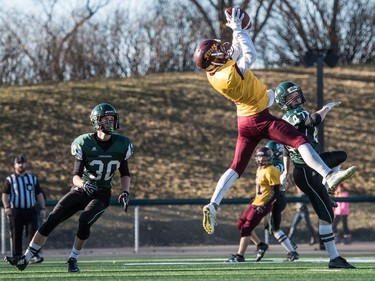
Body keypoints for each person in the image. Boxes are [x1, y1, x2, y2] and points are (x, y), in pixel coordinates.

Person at [193, 7, 357, 236]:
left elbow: (235, 50)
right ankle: (328, 175)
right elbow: (249, 55)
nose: (222, 49)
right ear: (213, 60)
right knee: (299, 139)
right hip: (260, 118)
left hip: (244, 120)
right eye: (217, 50)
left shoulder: (213, 72)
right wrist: (239, 29)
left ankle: (213, 203)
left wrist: (235, 30)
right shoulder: (228, 75)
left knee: (236, 167)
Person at [4, 103, 134, 272]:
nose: (110, 122)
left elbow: (125, 173)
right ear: (96, 122)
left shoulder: (122, 143)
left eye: (112, 119)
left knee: (84, 221)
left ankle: (73, 259)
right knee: (53, 218)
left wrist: (125, 191)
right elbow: (75, 176)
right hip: (82, 189)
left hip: (101, 193)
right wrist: (84, 184)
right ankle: (25, 258)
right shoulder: (84, 142)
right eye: (106, 119)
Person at [275, 81, 356, 269]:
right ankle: (334, 257)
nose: (296, 98)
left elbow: (286, 151)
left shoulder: (288, 118)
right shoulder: (293, 115)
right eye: (290, 97)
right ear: (283, 102)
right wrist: (326, 108)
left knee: (340, 156)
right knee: (327, 214)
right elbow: (313, 120)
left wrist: (285, 172)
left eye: (296, 94)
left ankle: (329, 187)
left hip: (313, 165)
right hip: (305, 172)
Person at [225, 146, 281, 263]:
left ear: (270, 158)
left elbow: (276, 192)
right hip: (256, 202)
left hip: (262, 204)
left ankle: (240, 256)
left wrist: (265, 205)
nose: (261, 159)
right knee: (240, 223)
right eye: (260, 157)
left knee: (246, 228)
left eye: (264, 157)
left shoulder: (272, 170)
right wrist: (256, 197)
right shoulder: (260, 169)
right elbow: (263, 188)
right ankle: (261, 245)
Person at [249, 141, 299, 262]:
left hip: (273, 199)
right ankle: (290, 247)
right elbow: (289, 184)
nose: (262, 158)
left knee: (273, 228)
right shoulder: (282, 164)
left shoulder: (271, 167)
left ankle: (291, 250)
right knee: (271, 227)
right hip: (279, 197)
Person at [2, 155, 46, 264]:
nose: (21, 165)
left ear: (25, 164)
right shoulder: (10, 179)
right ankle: (17, 256)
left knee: (34, 233)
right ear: (15, 165)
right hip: (16, 211)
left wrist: (43, 208)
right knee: (16, 234)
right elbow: (5, 195)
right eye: (18, 163)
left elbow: (39, 194)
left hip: (30, 210)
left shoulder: (32, 178)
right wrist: (7, 207)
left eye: (22, 162)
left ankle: (33, 255)